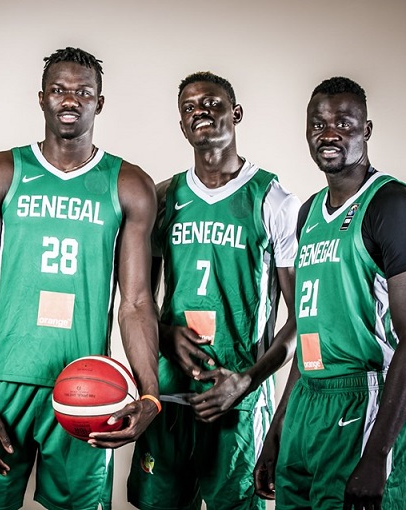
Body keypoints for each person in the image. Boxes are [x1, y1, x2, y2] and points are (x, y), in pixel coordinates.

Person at [0, 47, 161, 510]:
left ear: (99, 103)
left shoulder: (127, 183)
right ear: (42, 98)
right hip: (3, 385)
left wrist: (150, 395)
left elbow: (137, 303)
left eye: (83, 92)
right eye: (60, 90)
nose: (71, 100)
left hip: (87, 387)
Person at [253, 77, 406, 509]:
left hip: (364, 400)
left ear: (367, 130)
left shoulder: (392, 206)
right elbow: (307, 333)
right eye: (317, 123)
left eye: (343, 122)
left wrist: (377, 455)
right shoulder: (308, 213)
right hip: (307, 402)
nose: (328, 132)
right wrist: (278, 429)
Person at [126, 72, 299, 510]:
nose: (200, 111)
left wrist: (246, 381)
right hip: (169, 393)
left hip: (238, 399)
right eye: (189, 108)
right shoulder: (165, 197)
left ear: (235, 113)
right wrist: (164, 337)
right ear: (182, 126)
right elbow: (137, 299)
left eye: (212, 103)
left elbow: (302, 319)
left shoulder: (272, 198)